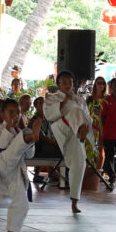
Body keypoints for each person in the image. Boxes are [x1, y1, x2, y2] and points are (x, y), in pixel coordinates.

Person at [0, 99, 43, 232]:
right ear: (2, 114)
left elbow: (30, 155)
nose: (15, 115)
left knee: (22, 205)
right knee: (16, 146)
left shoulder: (20, 132)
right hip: (1, 163)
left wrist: (28, 139)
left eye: (18, 112)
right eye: (11, 112)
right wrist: (9, 128)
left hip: (15, 171)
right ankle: (32, 136)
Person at [42, 70, 91, 214]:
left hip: (75, 132)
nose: (67, 85)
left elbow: (87, 116)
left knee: (79, 163)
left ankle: (74, 202)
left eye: (70, 82)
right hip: (60, 128)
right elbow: (49, 115)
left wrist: (86, 125)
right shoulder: (52, 98)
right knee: (75, 110)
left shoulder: (79, 99)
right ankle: (81, 129)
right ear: (58, 85)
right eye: (64, 83)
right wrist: (63, 103)